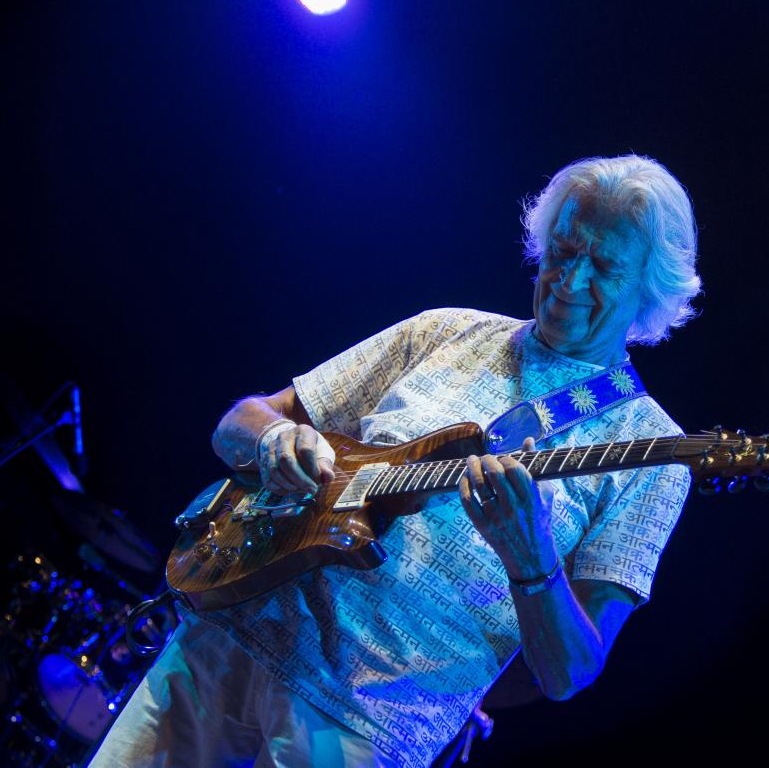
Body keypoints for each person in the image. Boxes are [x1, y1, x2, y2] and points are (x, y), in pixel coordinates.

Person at [89, 154, 702, 768]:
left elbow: (568, 672)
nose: (569, 279)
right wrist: (273, 438)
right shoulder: (444, 331)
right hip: (223, 644)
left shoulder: (652, 454)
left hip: (365, 730)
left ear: (651, 290)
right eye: (562, 250)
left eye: (603, 267)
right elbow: (237, 424)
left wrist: (533, 558)